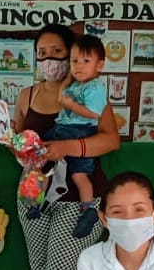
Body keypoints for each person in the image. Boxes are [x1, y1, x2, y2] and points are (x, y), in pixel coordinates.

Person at [14, 23, 120, 270]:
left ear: (73, 55)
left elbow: (111, 140)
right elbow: (17, 138)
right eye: (41, 53)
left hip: (79, 197)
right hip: (34, 194)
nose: (49, 60)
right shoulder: (26, 95)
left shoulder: (88, 93)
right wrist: (19, 147)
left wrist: (67, 148)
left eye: (57, 52)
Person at [40, 34, 108, 238]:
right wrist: (69, 78)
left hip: (80, 132)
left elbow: (94, 113)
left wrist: (71, 105)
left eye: (86, 61)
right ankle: (38, 201)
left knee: (79, 175)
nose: (79, 66)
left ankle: (88, 210)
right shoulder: (76, 84)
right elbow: (62, 96)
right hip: (62, 129)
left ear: (99, 65)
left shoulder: (95, 87)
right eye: (74, 61)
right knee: (42, 161)